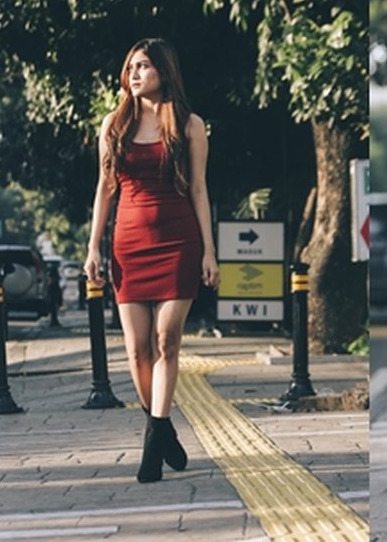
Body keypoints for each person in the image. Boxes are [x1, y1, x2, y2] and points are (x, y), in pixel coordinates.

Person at [84, 38, 220, 484]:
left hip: (179, 241)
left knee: (165, 342)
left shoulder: (189, 124)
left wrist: (210, 250)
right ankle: (163, 430)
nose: (135, 74)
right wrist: (92, 248)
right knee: (136, 350)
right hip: (128, 243)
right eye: (131, 67)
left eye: (144, 66)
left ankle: (151, 444)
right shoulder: (114, 124)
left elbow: (199, 189)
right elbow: (105, 189)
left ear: (164, 70)